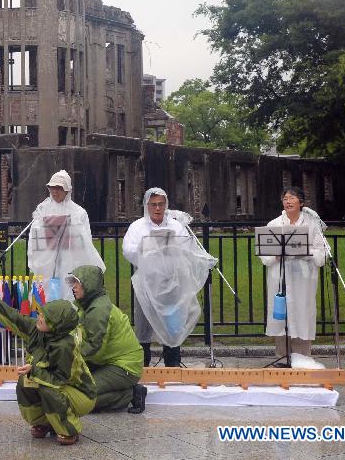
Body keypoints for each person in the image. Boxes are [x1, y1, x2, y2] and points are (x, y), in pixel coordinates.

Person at [0, 277, 95, 445]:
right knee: (25, 383)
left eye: (46, 317)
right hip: (54, 382)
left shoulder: (66, 346)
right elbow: (11, 316)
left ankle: (69, 430)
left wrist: (34, 370)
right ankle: (42, 423)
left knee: (47, 390)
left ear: (57, 325)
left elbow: (60, 379)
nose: (40, 317)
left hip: (80, 393)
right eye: (42, 313)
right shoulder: (37, 329)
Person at [123, 188, 215, 367]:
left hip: (172, 282)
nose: (157, 208)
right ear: (147, 206)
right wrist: (145, 248)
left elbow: (187, 247)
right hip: (147, 283)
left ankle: (172, 364)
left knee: (172, 325)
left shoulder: (175, 225)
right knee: (144, 325)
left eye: (161, 204)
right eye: (153, 205)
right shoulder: (137, 226)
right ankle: (143, 366)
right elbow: (128, 249)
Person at [259, 187, 327, 369]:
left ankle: (303, 357)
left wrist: (306, 251)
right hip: (280, 276)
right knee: (282, 314)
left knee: (302, 312)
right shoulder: (274, 224)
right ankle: (282, 357)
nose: (288, 201)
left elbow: (322, 253)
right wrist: (275, 255)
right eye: (285, 198)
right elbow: (264, 254)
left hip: (304, 278)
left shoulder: (313, 225)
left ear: (301, 203)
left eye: (292, 198)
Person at [67, 265, 146, 414]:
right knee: (75, 386)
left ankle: (130, 395)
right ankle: (123, 391)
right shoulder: (89, 306)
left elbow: (95, 348)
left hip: (124, 366)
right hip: (111, 362)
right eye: (72, 283)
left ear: (88, 284)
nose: (73, 287)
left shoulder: (98, 310)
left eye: (77, 282)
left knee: (81, 396)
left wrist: (67, 357)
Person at [28, 170, 105, 301]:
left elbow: (86, 240)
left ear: (67, 190)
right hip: (48, 263)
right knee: (46, 293)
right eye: (52, 188)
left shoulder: (79, 212)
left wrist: (74, 227)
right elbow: (34, 235)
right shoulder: (43, 209)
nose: (54, 192)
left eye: (59, 188)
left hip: (71, 261)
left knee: (68, 291)